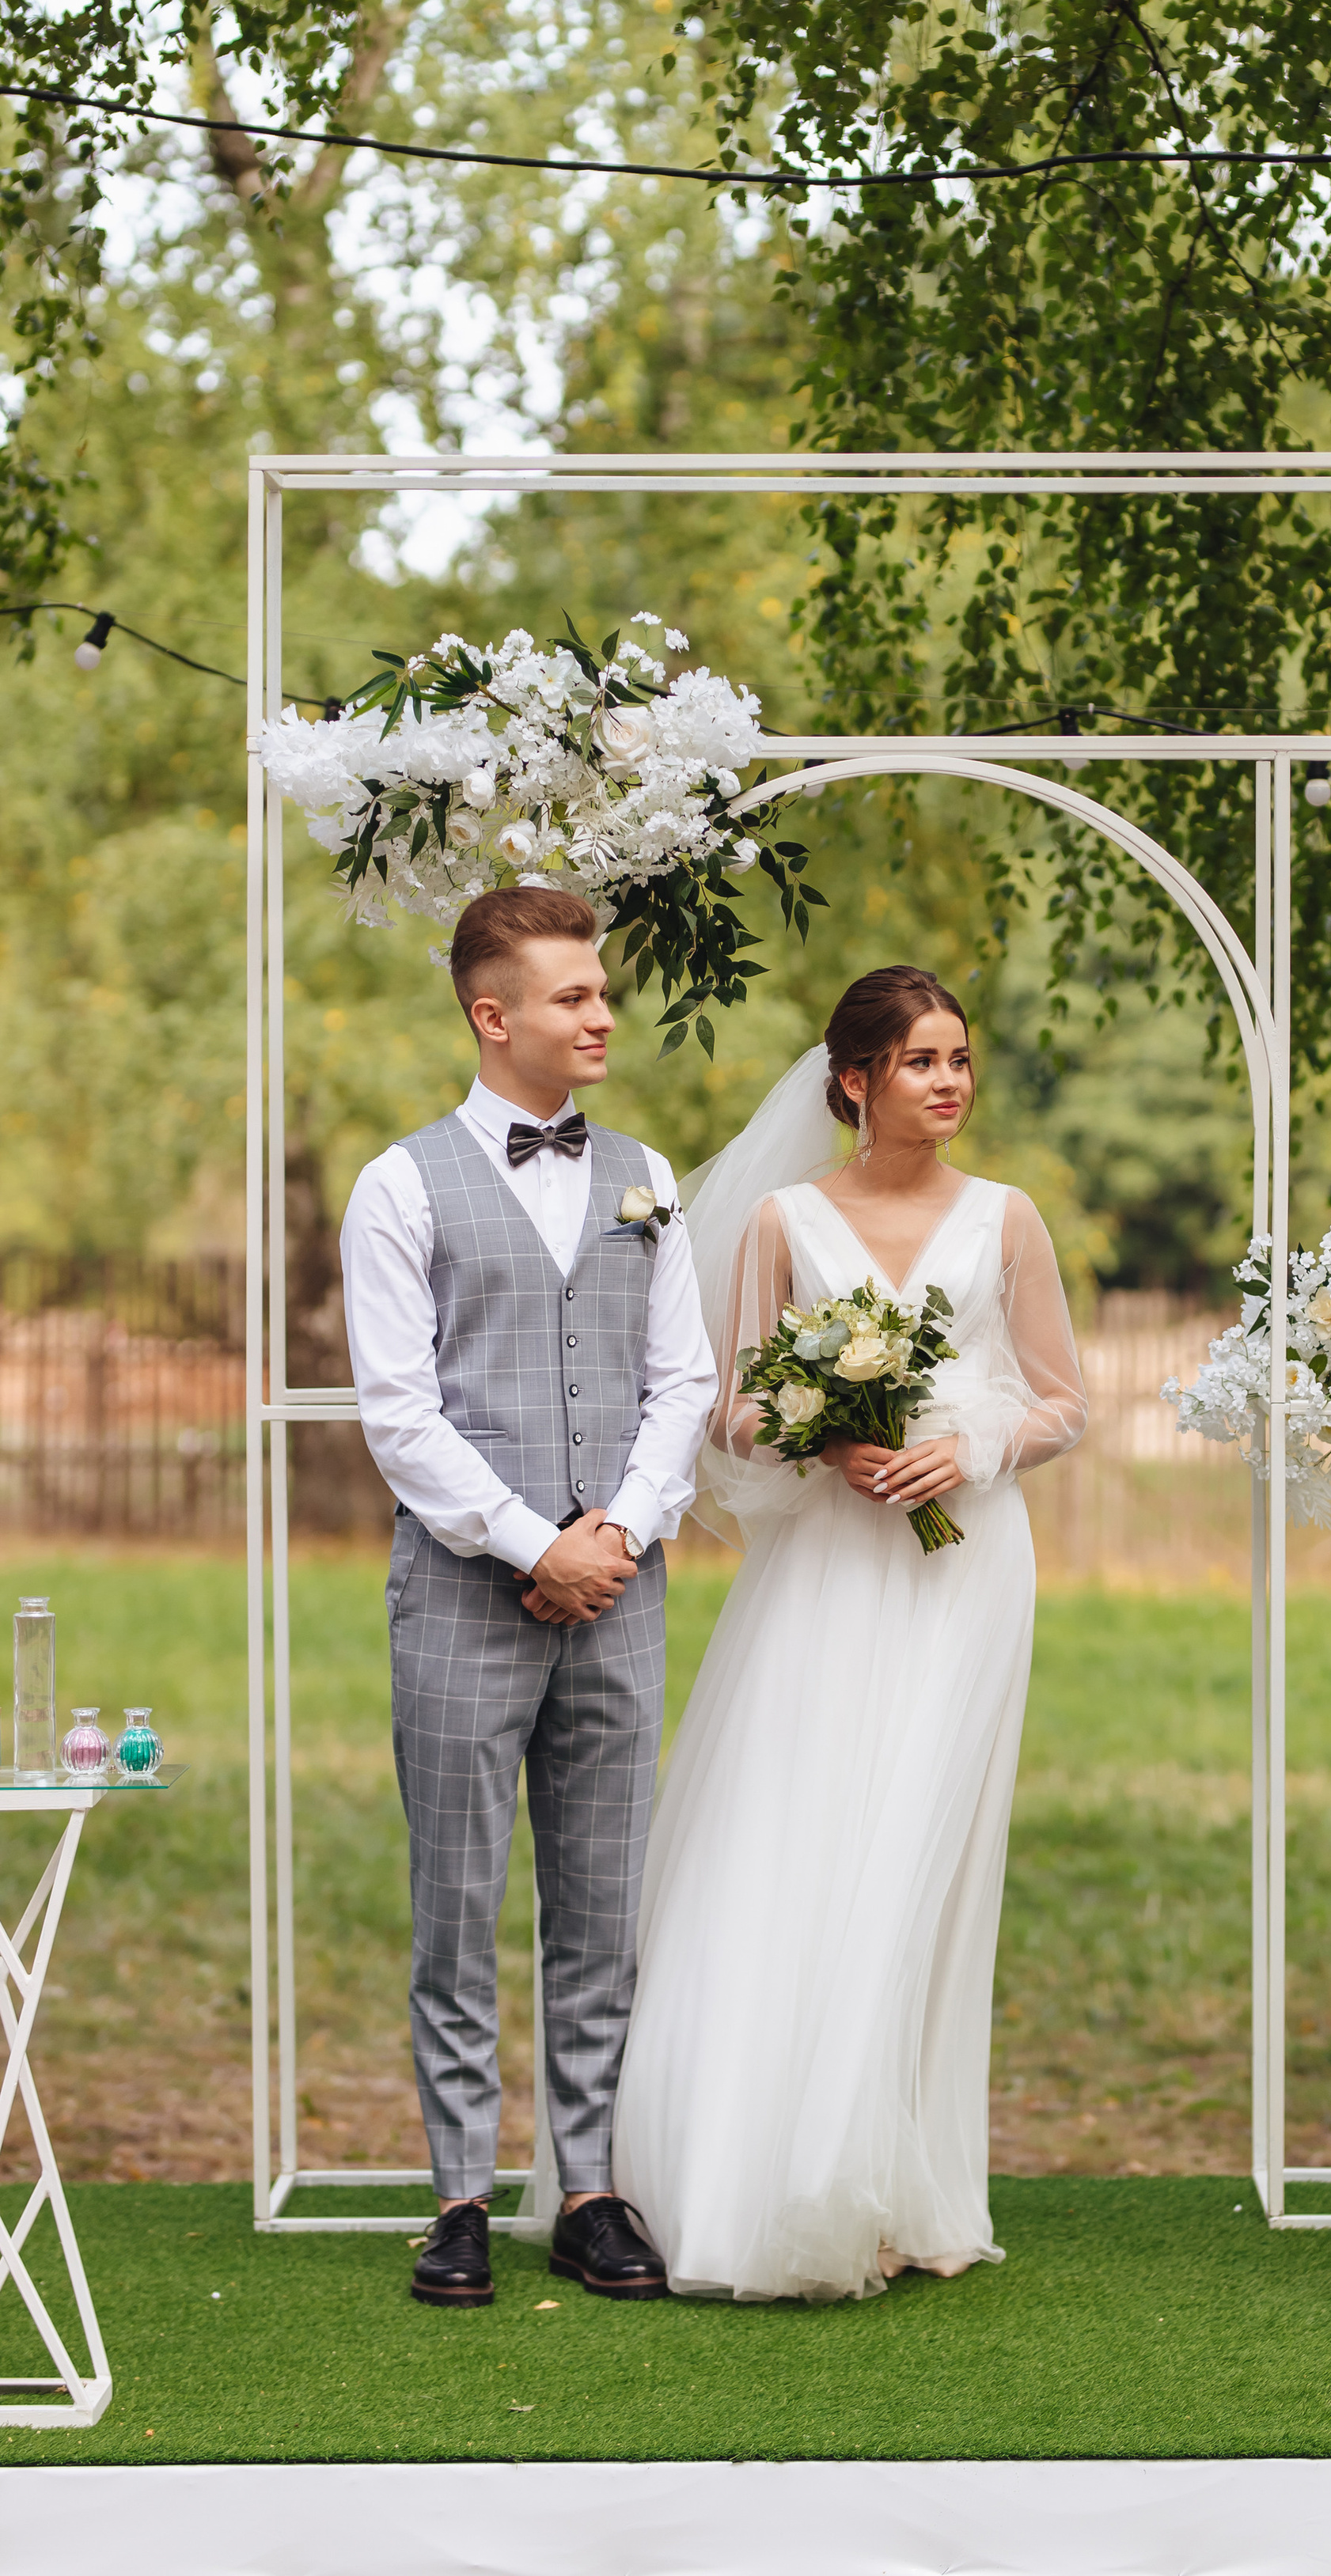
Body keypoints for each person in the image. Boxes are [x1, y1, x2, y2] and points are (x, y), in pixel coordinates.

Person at [610, 967, 1087, 2299]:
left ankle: (890, 2177)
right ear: (855, 1080)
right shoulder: (779, 1219)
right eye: (922, 1061)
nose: (950, 1082)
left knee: (915, 1852)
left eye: (961, 1059)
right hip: (824, 1564)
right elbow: (730, 1413)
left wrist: (971, 1443)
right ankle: (759, 2171)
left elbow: (1064, 1402)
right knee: (797, 1832)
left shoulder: (1007, 1221)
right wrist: (830, 1430)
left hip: (963, 1570)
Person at [340, 885, 717, 2309]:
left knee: (600, 1906)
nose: (603, 1012)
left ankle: (591, 2187)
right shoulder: (398, 1185)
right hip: (459, 1595)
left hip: (621, 1589)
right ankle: (456, 2196)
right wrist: (527, 1543)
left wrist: (616, 1530)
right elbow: (400, 1410)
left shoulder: (648, 1173)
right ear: (494, 1016)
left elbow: (682, 1379)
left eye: (602, 989)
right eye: (573, 996)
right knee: (456, 1901)